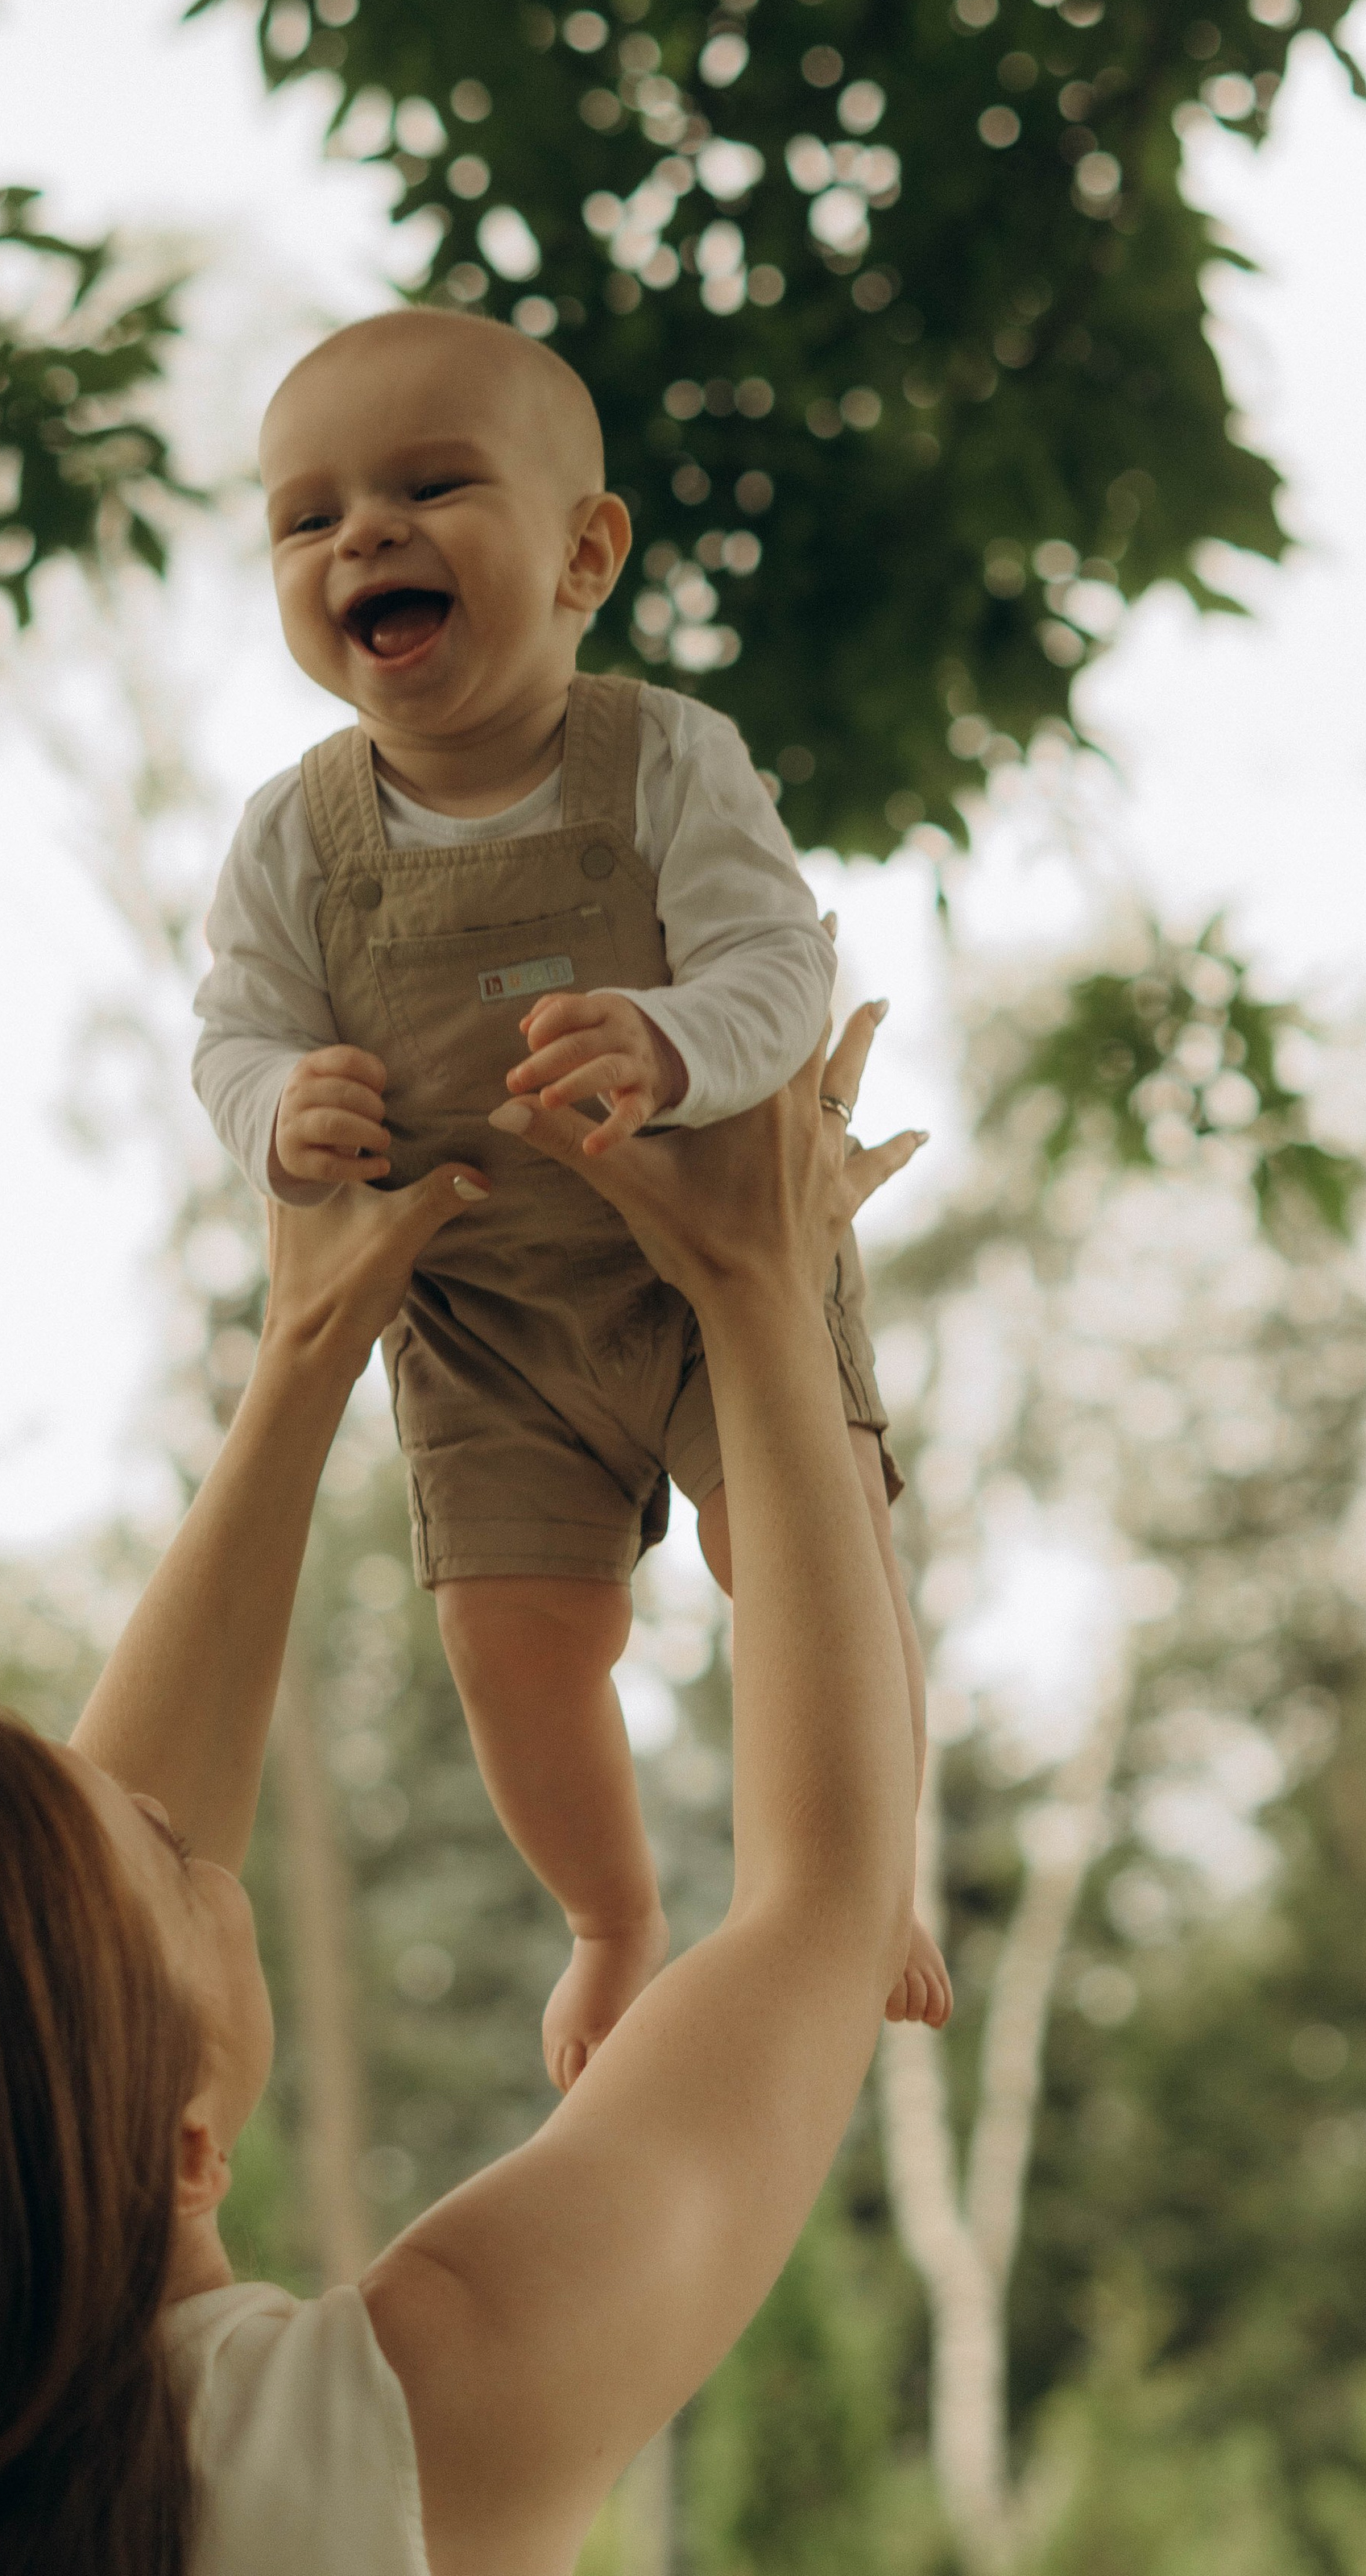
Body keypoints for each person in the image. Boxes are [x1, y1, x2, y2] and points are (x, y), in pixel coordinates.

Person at [0, 1017, 922, 2576]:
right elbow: (823, 1906)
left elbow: (24, 2040)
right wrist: (763, 1281)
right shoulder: (395, 2443)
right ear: (179, 2151)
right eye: (168, 1855)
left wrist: (309, 1346)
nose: (163, 1800)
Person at [193, 305, 947, 2081]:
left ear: (581, 552)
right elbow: (232, 1033)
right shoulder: (292, 838)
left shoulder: (666, 759)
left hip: (707, 1275)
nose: (359, 536)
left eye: (427, 486)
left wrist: (675, 1043)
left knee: (811, 1553)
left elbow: (775, 963)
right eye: (306, 520)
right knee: (510, 1639)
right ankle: (609, 1918)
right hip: (482, 1318)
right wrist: (274, 1110)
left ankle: (853, 1875)